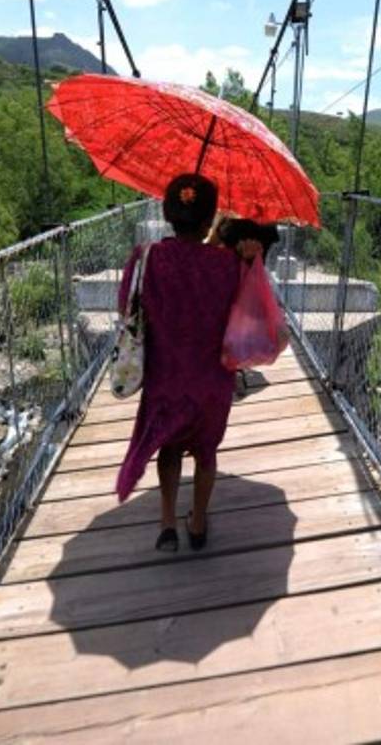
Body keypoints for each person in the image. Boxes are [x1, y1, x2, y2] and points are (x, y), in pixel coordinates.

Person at [115, 173, 260, 552]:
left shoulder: (147, 258)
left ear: (167, 213)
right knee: (206, 452)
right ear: (212, 218)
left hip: (166, 376)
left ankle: (166, 523)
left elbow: (124, 307)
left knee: (170, 448)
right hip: (213, 378)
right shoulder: (228, 265)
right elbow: (250, 311)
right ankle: (197, 522)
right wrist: (249, 262)